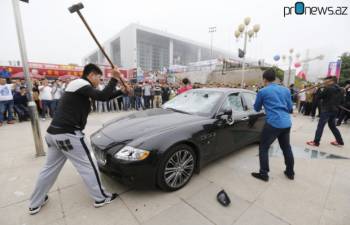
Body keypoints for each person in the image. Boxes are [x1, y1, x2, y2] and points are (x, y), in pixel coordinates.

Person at [29, 64, 129, 215]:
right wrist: (115, 78)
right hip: (68, 135)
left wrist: (121, 91)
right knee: (89, 165)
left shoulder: (80, 87)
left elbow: (104, 97)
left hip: (54, 134)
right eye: (98, 78)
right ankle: (101, 198)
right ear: (91, 75)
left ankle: (35, 202)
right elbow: (102, 96)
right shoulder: (79, 83)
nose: (99, 81)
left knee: (48, 170)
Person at [251, 69, 294, 182]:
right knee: (286, 147)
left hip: (273, 123)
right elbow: (290, 109)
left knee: (264, 147)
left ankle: (263, 173)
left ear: (264, 79)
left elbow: (256, 108)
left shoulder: (263, 91)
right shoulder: (286, 90)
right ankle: (290, 172)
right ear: (275, 78)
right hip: (286, 123)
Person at [307, 77, 344, 147]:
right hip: (335, 110)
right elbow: (342, 101)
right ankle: (340, 141)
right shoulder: (341, 89)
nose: (325, 82)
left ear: (331, 81)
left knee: (320, 126)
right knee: (332, 126)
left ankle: (316, 142)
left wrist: (320, 89)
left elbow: (318, 97)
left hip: (326, 110)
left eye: (326, 80)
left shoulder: (328, 88)